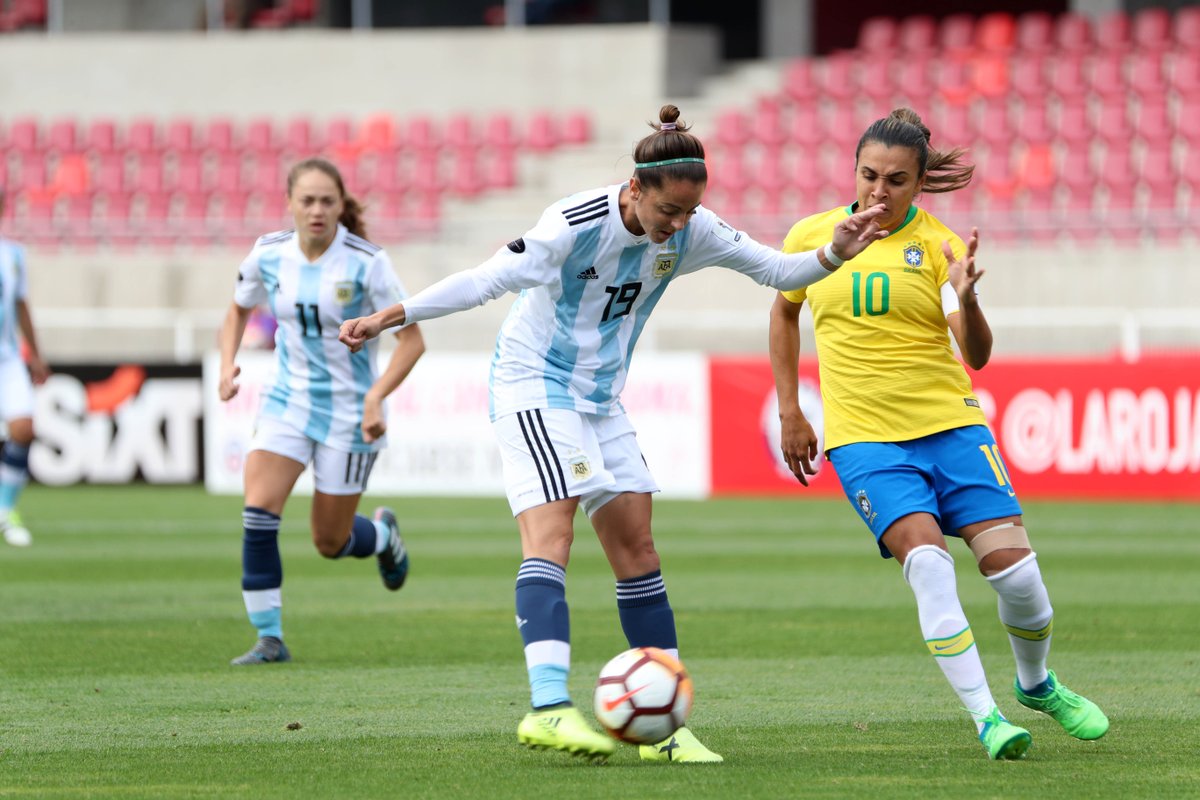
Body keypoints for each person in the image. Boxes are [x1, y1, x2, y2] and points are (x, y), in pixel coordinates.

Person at [340, 105, 888, 762]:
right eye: (669, 212)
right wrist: (391, 315)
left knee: (638, 548)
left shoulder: (693, 229)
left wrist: (834, 252)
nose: (679, 226)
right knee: (554, 533)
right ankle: (547, 708)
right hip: (534, 384)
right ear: (636, 189)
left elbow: (778, 270)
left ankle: (665, 726)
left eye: (689, 212)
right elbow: (487, 280)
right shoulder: (573, 225)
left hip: (600, 399)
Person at [768, 108, 1108, 760]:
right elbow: (784, 315)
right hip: (866, 440)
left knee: (1019, 579)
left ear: (920, 182)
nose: (878, 191)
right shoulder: (813, 237)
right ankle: (987, 720)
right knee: (928, 564)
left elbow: (975, 355)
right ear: (855, 170)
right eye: (869, 175)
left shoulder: (945, 249)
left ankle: (1036, 685)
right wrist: (792, 408)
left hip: (952, 428)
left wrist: (968, 298)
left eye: (896, 180)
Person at [218, 158, 425, 666]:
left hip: (349, 412)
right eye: (306, 200)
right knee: (258, 513)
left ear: (340, 205)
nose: (316, 210)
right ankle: (270, 638)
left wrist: (375, 398)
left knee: (329, 541)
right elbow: (238, 308)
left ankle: (381, 536)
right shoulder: (268, 254)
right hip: (287, 400)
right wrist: (227, 365)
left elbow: (412, 342)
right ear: (289, 202)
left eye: (326, 201)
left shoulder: (366, 262)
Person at [0, 187, 50, 547]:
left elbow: (21, 305)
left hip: (6, 358)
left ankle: (5, 511)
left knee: (23, 427)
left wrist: (35, 353)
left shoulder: (13, 255)